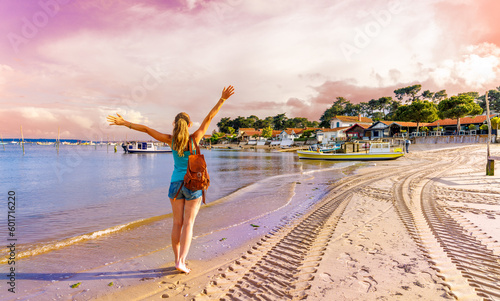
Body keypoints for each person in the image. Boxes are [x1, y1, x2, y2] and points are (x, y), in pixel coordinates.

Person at [106, 85, 235, 273]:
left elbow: (147, 130)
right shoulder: (195, 138)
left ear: (174, 124)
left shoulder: (170, 140)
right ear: (189, 125)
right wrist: (222, 99)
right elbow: (209, 118)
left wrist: (125, 123)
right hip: (192, 185)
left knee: (177, 223)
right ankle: (181, 261)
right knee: (189, 224)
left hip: (175, 185)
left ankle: (176, 259)